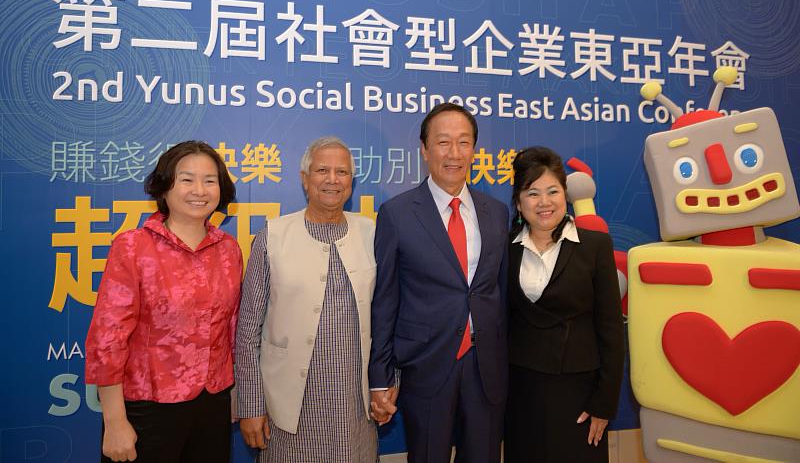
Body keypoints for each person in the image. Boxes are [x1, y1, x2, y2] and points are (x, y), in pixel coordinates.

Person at [85, 140, 242, 463]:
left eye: (209, 180)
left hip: (212, 404)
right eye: (186, 179)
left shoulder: (228, 249)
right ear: (164, 187)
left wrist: (237, 392)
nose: (199, 190)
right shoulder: (133, 247)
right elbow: (108, 338)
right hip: (147, 408)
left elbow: (232, 327)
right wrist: (115, 421)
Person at [369, 103, 509, 463]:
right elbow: (385, 300)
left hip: (485, 366)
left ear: (474, 151)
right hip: (427, 365)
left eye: (464, 143)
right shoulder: (397, 214)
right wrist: (381, 376)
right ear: (425, 149)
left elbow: (499, 292)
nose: (454, 153)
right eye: (443, 142)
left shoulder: (495, 212)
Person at [235, 136, 378, 462]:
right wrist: (251, 405)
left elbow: (386, 317)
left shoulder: (371, 232)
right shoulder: (272, 236)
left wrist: (387, 383)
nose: (332, 180)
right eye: (322, 170)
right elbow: (247, 333)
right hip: (289, 409)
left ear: (351, 182)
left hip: (354, 406)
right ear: (304, 178)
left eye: (342, 172)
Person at [503, 146, 625, 463]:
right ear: (518, 201)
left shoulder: (595, 245)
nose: (544, 202)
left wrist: (605, 402)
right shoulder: (504, 250)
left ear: (565, 194)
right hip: (522, 392)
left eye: (553, 191)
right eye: (533, 193)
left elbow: (612, 330)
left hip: (580, 396)